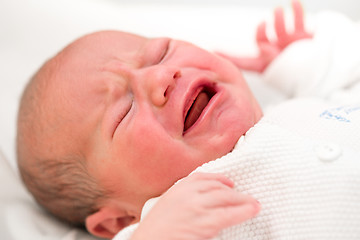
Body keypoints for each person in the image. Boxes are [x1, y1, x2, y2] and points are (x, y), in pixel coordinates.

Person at [16, 1, 360, 239]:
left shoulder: (299, 105)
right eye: (124, 113)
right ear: (121, 218)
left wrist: (309, 65)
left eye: (160, 52)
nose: (160, 77)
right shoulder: (177, 222)